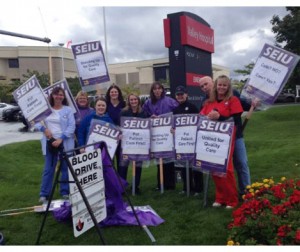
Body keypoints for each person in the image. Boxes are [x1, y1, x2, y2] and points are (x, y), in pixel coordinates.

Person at [199, 76, 256, 197]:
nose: (204, 87)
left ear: (212, 82)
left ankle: (246, 192)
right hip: (218, 140)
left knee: (241, 162)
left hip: (236, 136)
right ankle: (225, 195)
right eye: (202, 86)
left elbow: (238, 115)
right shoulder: (206, 101)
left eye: (206, 84)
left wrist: (253, 103)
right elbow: (201, 118)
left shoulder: (233, 96)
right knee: (220, 167)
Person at [35, 87, 75, 203]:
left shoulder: (68, 110)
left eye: (61, 95)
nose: (59, 97)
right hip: (49, 143)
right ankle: (44, 194)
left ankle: (65, 192)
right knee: (48, 169)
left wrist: (61, 139)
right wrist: (43, 129)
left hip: (64, 142)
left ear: (64, 97)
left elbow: (71, 126)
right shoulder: (46, 110)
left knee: (65, 169)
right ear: (52, 96)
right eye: (56, 94)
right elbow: (35, 122)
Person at [143, 82, 179, 190]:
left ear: (162, 90)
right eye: (155, 89)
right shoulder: (148, 102)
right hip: (157, 134)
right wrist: (150, 117)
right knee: (160, 160)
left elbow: (177, 113)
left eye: (159, 88)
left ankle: (170, 184)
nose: (157, 91)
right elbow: (144, 114)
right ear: (152, 91)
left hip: (168, 133)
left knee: (169, 158)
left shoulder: (169, 101)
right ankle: (160, 183)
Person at [172, 86, 203, 196]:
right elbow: (174, 126)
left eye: (182, 94)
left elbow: (199, 123)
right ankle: (187, 188)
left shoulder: (193, 107)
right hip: (182, 143)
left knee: (195, 166)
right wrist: (173, 130)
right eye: (178, 95)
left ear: (186, 95)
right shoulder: (175, 110)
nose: (180, 96)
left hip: (193, 142)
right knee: (183, 166)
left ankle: (199, 189)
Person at [119, 94, 147, 194]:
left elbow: (147, 126)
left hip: (139, 144)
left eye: (135, 99)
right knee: (123, 166)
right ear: (128, 101)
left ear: (138, 101)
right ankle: (122, 187)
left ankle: (136, 186)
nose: (133, 101)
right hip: (127, 143)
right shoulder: (124, 112)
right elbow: (120, 126)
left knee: (138, 166)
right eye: (131, 100)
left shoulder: (143, 112)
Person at [105, 84, 126, 173]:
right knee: (110, 161)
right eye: (112, 92)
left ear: (119, 93)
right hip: (109, 137)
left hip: (122, 137)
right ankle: (113, 183)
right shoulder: (105, 104)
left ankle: (122, 184)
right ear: (109, 93)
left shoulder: (123, 104)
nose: (114, 93)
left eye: (115, 92)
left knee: (122, 162)